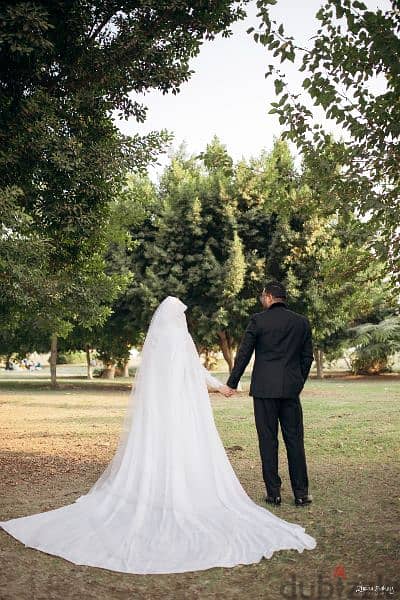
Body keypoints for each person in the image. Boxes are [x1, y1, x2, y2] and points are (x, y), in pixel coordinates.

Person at [0, 296, 316, 574]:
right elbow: (196, 371)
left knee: (161, 449)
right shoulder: (183, 339)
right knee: (200, 449)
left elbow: (157, 376)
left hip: (159, 409)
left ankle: (173, 494)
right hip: (191, 407)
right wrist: (222, 386)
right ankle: (294, 492)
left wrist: (226, 383)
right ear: (178, 317)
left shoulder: (155, 342)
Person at [226, 282, 314, 507]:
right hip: (290, 392)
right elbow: (307, 358)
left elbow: (244, 354)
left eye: (262, 297)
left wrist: (232, 383)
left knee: (268, 440)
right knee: (294, 440)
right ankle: (301, 493)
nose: (261, 300)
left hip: (264, 391)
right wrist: (296, 383)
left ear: (269, 297)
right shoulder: (301, 322)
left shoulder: (258, 321)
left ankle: (273, 493)